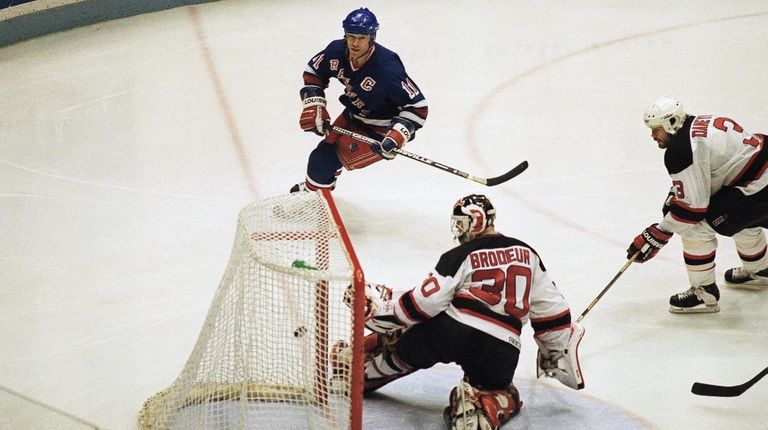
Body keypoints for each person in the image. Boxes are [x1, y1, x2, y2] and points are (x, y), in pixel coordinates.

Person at [338, 194, 585, 430]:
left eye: (461, 223)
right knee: (499, 389)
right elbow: (552, 312)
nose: (458, 230)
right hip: (504, 348)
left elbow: (424, 304)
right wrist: (555, 351)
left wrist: (380, 312)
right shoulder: (527, 253)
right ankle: (484, 405)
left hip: (452, 331)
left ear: (475, 221)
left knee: (406, 341)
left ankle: (360, 373)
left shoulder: (458, 256)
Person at [627, 96, 768, 314]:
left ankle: (704, 293)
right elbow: (713, 174)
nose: (653, 135)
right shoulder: (699, 124)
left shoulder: (681, 150)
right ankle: (761, 270)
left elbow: (692, 210)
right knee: (738, 216)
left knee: (696, 228)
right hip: (758, 179)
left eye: (656, 129)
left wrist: (659, 232)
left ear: (671, 124)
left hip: (757, 190)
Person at [291, 7, 428, 192]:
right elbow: (314, 71)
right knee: (323, 153)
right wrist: (314, 103)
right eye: (351, 36)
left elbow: (418, 106)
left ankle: (313, 195)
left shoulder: (388, 69)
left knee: (324, 159)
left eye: (361, 38)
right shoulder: (336, 51)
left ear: (372, 38)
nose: (355, 43)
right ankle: (318, 191)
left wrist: (396, 136)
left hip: (380, 129)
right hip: (353, 114)